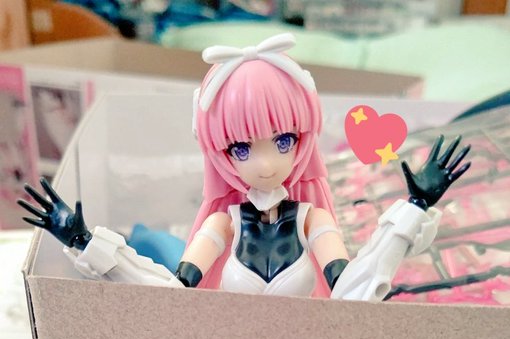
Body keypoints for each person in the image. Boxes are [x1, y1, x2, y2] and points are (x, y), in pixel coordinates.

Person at [18, 33, 471, 302]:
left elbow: (352, 291)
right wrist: (85, 243)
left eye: (283, 141)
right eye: (241, 148)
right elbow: (172, 294)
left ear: (303, 139)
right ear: (219, 151)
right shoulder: (224, 223)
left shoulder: (312, 221)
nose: (267, 164)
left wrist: (412, 210)